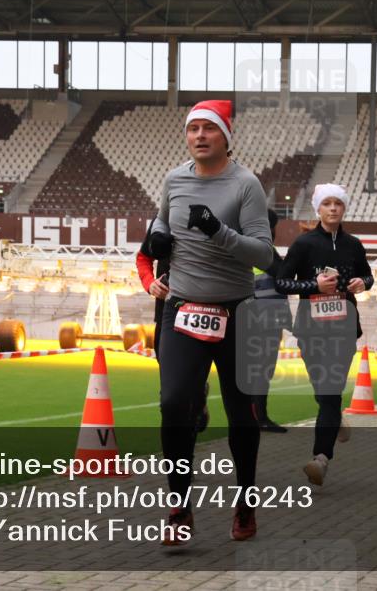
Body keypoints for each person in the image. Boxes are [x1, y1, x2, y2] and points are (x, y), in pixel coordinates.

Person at [148, 99, 273, 544]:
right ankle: (179, 506)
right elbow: (161, 220)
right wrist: (156, 232)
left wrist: (218, 231)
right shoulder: (174, 178)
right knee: (172, 404)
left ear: (225, 136)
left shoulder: (246, 185)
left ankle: (244, 501)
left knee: (242, 413)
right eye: (192, 128)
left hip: (236, 312)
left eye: (209, 129)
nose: (199, 135)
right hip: (182, 309)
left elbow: (264, 254)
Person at [276, 183, 374, 485]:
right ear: (318, 208)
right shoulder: (304, 244)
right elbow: (282, 283)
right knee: (325, 392)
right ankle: (334, 416)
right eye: (327, 204)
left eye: (338, 204)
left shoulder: (354, 244)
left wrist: (362, 282)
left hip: (344, 328)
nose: (333, 209)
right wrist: (313, 287)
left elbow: (367, 275)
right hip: (311, 330)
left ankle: (321, 458)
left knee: (330, 391)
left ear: (344, 209)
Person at [137, 223, 210, 433]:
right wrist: (150, 283)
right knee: (169, 394)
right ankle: (177, 457)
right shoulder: (162, 220)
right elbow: (143, 258)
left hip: (204, 314)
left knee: (190, 387)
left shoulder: (218, 214)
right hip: (166, 317)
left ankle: (197, 401)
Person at [251, 209, 292, 433]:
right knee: (259, 371)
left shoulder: (263, 251)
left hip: (265, 320)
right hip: (259, 321)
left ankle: (257, 417)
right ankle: (258, 418)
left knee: (259, 371)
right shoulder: (261, 252)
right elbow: (281, 274)